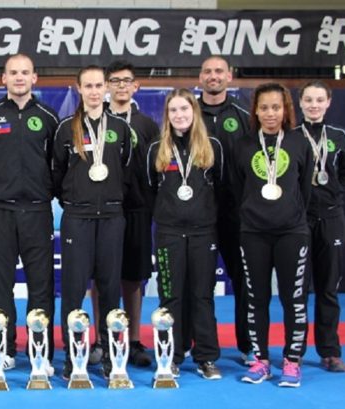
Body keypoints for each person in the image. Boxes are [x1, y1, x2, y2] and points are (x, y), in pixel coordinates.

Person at [0, 54, 59, 375]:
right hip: (0, 211)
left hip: (37, 211)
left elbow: (56, 164)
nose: (19, 77)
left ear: (34, 78)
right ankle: (2, 351)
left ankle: (40, 353)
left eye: (25, 72)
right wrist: (1, 186)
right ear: (4, 78)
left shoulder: (48, 117)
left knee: (41, 285)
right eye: (13, 72)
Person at [52, 65, 133, 380]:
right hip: (77, 217)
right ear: (79, 89)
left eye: (100, 85)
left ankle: (112, 357)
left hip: (112, 217)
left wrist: (110, 198)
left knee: (110, 288)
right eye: (89, 86)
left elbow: (126, 171)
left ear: (107, 88)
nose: (95, 91)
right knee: (73, 290)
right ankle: (73, 357)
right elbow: (57, 173)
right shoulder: (65, 129)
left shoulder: (121, 128)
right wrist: (75, 200)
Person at [236, 83, 313, 387]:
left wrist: (290, 214)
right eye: (264, 107)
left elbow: (304, 189)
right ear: (255, 110)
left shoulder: (298, 142)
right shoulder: (243, 145)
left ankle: (292, 361)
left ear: (286, 110)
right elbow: (236, 187)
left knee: (293, 299)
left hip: (291, 232)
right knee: (256, 298)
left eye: (276, 107)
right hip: (253, 232)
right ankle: (261, 360)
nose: (270, 113)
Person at [146, 88, 223, 379]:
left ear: (194, 112)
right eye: (173, 110)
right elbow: (149, 189)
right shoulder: (157, 149)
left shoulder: (212, 146)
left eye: (184, 109)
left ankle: (206, 357)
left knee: (202, 296)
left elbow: (222, 188)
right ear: (167, 115)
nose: (179, 115)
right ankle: (172, 356)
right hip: (168, 234)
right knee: (170, 296)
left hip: (203, 234)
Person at [89, 60, 159, 368]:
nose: (120, 86)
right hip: (103, 208)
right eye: (114, 81)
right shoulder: (94, 120)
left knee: (132, 277)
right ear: (106, 86)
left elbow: (156, 169)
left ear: (135, 86)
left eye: (126, 80)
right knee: (100, 276)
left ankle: (132, 340)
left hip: (137, 209)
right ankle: (101, 339)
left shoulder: (148, 125)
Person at [198, 56, 253, 365]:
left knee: (243, 281)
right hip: (199, 213)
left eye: (219, 71)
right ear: (200, 77)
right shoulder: (189, 113)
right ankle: (203, 347)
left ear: (229, 76)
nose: (213, 76)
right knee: (200, 283)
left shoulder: (244, 116)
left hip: (237, 214)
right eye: (208, 71)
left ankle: (248, 346)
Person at [297, 80, 345, 372]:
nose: (314, 105)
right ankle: (294, 351)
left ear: (328, 102)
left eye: (319, 100)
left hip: (331, 218)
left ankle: (330, 351)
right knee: (297, 290)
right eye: (309, 100)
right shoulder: (291, 136)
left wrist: (334, 193)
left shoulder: (337, 135)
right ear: (300, 103)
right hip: (299, 220)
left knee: (328, 288)